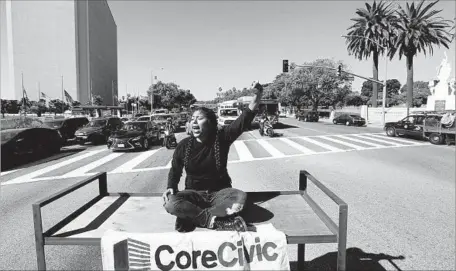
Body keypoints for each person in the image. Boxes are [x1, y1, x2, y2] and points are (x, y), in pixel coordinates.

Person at [163, 81, 264, 232]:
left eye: (199, 118)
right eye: (192, 119)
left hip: (220, 194)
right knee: (171, 202)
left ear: (210, 123)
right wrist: (171, 187)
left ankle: (193, 217)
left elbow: (243, 121)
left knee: (239, 197)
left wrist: (256, 98)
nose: (194, 121)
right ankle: (216, 221)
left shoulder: (222, 138)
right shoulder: (183, 145)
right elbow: (175, 170)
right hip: (193, 194)